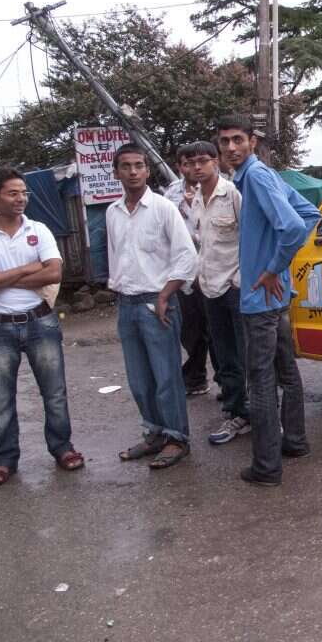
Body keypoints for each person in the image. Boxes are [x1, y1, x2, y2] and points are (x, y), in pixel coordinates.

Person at [215, 115, 321, 487]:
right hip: (273, 297)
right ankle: (294, 442)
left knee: (260, 381)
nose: (230, 148)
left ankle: (266, 466)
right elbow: (309, 213)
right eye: (225, 141)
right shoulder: (257, 176)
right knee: (286, 372)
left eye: (237, 140)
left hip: (262, 298)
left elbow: (294, 226)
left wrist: (276, 267)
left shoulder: (256, 176)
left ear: (252, 141)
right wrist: (280, 268)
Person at [0, 168, 83, 487]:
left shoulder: (39, 230)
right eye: (13, 193)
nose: (21, 199)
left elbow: (54, 274)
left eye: (24, 193)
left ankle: (62, 448)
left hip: (39, 320)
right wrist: (29, 268)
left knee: (54, 392)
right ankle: (4, 459)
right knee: (1, 397)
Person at [108, 144, 198, 470]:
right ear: (116, 172)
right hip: (126, 304)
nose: (133, 172)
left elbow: (187, 256)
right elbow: (116, 257)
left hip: (156, 304)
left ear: (147, 170)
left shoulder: (163, 208)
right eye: (126, 166)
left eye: (139, 166)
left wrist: (164, 296)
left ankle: (177, 439)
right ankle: (155, 433)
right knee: (139, 380)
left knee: (166, 377)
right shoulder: (113, 212)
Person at [185, 141, 250, 445]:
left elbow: (250, 238)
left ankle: (259, 412)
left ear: (216, 161)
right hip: (210, 289)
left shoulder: (233, 193)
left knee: (247, 354)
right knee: (224, 357)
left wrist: (239, 279)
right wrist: (198, 277)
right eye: (193, 162)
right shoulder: (196, 198)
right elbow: (203, 243)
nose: (198, 167)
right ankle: (236, 413)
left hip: (234, 288)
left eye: (203, 161)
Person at [165, 146, 212, 397]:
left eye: (199, 162)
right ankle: (195, 379)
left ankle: (230, 386)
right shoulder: (170, 194)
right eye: (187, 163)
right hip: (185, 275)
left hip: (215, 271)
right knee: (191, 331)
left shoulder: (221, 187)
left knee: (218, 332)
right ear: (179, 167)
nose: (194, 168)